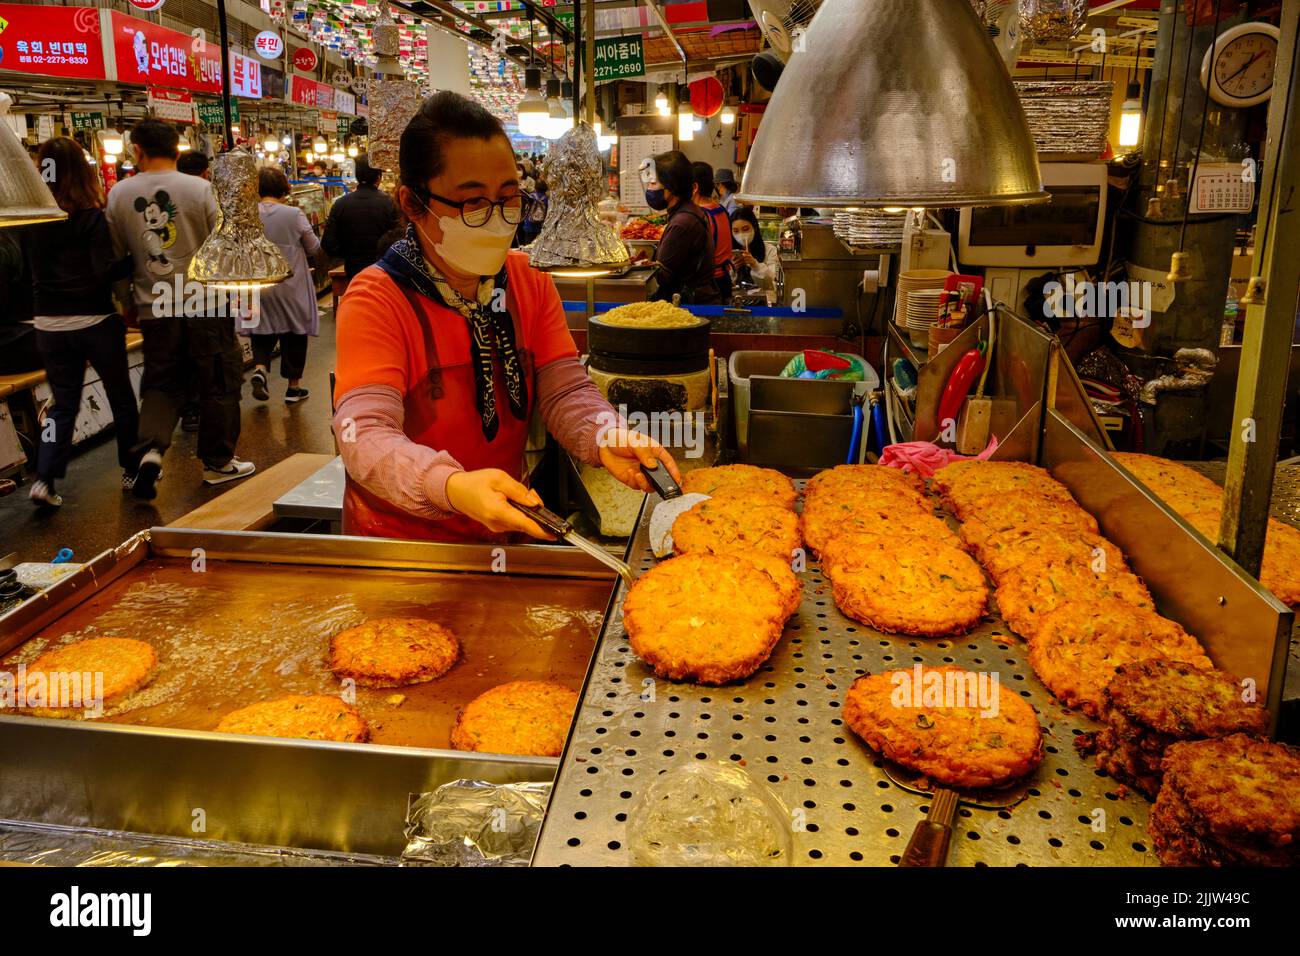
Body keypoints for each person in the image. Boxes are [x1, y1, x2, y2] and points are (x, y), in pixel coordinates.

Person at [332, 91, 679, 542]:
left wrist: (605, 433)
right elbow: (363, 432)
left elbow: (565, 389)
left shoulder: (526, 280)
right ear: (413, 203)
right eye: (473, 204)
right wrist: (451, 486)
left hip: (506, 524)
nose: (498, 220)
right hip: (403, 545)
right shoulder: (378, 298)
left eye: (509, 198)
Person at [106, 118, 254, 499]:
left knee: (161, 383)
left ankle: (151, 451)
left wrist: (127, 302)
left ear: (136, 150)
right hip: (205, 304)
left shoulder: (119, 195)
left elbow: (117, 259)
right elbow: (223, 246)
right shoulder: (202, 189)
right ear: (178, 148)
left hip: (155, 307)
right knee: (218, 381)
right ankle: (218, 463)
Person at [20, 137, 138, 507]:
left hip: (49, 327)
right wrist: (134, 259)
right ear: (83, 172)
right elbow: (103, 272)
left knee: (62, 405)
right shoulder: (90, 217)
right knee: (120, 396)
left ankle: (44, 478)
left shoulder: (31, 218)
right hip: (95, 321)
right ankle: (132, 469)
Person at [248, 168, 321, 405]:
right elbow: (313, 247)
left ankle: (260, 368)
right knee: (294, 331)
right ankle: (293, 388)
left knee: (262, 327)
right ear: (283, 188)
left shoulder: (247, 214)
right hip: (291, 282)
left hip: (258, 282)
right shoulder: (293, 214)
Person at [642, 151, 717, 305]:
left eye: (653, 183)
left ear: (672, 186)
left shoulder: (682, 223)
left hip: (690, 306)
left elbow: (661, 276)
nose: (649, 188)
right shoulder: (690, 211)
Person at [175, 150, 212, 433]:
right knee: (208, 355)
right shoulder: (206, 192)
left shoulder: (142, 191)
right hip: (204, 291)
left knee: (180, 357)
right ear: (205, 171)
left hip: (163, 293)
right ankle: (205, 410)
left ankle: (188, 410)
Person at [321, 159, 399, 281]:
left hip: (354, 270)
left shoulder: (340, 204)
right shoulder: (390, 203)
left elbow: (328, 244)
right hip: (385, 269)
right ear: (379, 177)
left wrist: (350, 254)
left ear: (356, 176)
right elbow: (399, 238)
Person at [692, 162, 734, 302]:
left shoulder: (702, 215)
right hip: (724, 280)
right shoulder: (720, 209)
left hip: (709, 286)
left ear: (694, 187)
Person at [731, 206, 782, 306]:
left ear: (754, 226)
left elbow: (772, 285)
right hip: (737, 304)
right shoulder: (729, 253)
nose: (741, 235)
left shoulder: (770, 250)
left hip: (763, 306)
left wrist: (755, 265)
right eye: (736, 231)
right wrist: (732, 269)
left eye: (745, 229)